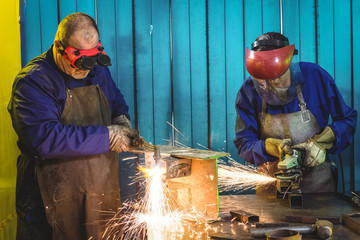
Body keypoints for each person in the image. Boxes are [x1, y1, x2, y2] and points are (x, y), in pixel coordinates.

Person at [8, 13, 140, 240]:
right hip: (49, 199)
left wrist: (121, 119)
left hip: (97, 189)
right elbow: (45, 139)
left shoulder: (97, 68)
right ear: (59, 47)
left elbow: (115, 99)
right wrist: (109, 136)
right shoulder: (33, 81)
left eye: (92, 62)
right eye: (79, 64)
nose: (86, 71)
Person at [234, 32, 357, 193]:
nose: (273, 85)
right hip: (272, 187)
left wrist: (321, 143)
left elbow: (347, 121)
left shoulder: (316, 77)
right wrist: (270, 147)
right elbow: (244, 143)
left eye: (278, 77)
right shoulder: (248, 91)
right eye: (265, 82)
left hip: (318, 187)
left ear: (289, 62)